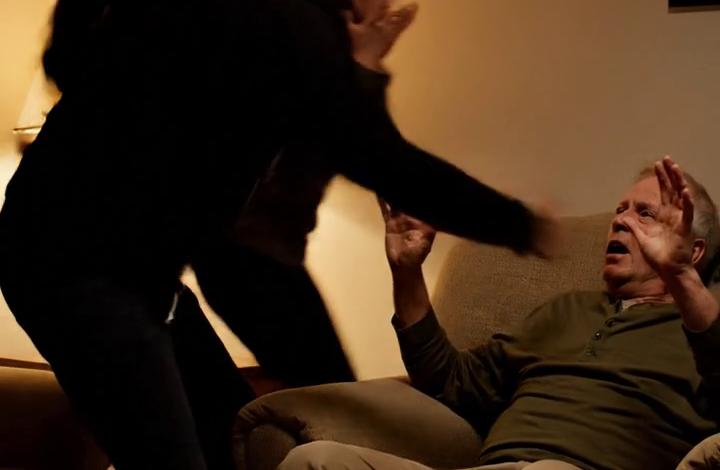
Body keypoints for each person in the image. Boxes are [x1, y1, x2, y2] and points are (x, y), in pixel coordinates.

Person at [0, 1, 558, 470]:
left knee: (229, 430)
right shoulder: (293, 28)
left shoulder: (274, 33)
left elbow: (256, 240)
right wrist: (523, 224)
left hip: (122, 268)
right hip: (75, 268)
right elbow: (383, 163)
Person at [277, 156, 720, 470]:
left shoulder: (705, 328)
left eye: (646, 215)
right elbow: (452, 381)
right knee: (314, 460)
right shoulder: (566, 309)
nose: (620, 220)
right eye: (620, 210)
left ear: (694, 251)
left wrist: (679, 276)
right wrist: (407, 272)